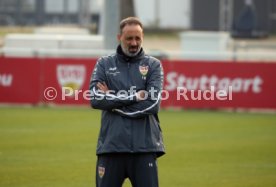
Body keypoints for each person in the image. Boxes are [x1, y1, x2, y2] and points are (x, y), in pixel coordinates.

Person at [89, 17, 165, 187]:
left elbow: (153, 104)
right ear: (119, 37)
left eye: (138, 38)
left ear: (143, 37)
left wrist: (113, 101)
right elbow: (95, 98)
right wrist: (132, 97)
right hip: (111, 147)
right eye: (129, 38)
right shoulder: (104, 64)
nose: (134, 43)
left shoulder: (153, 65)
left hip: (144, 149)